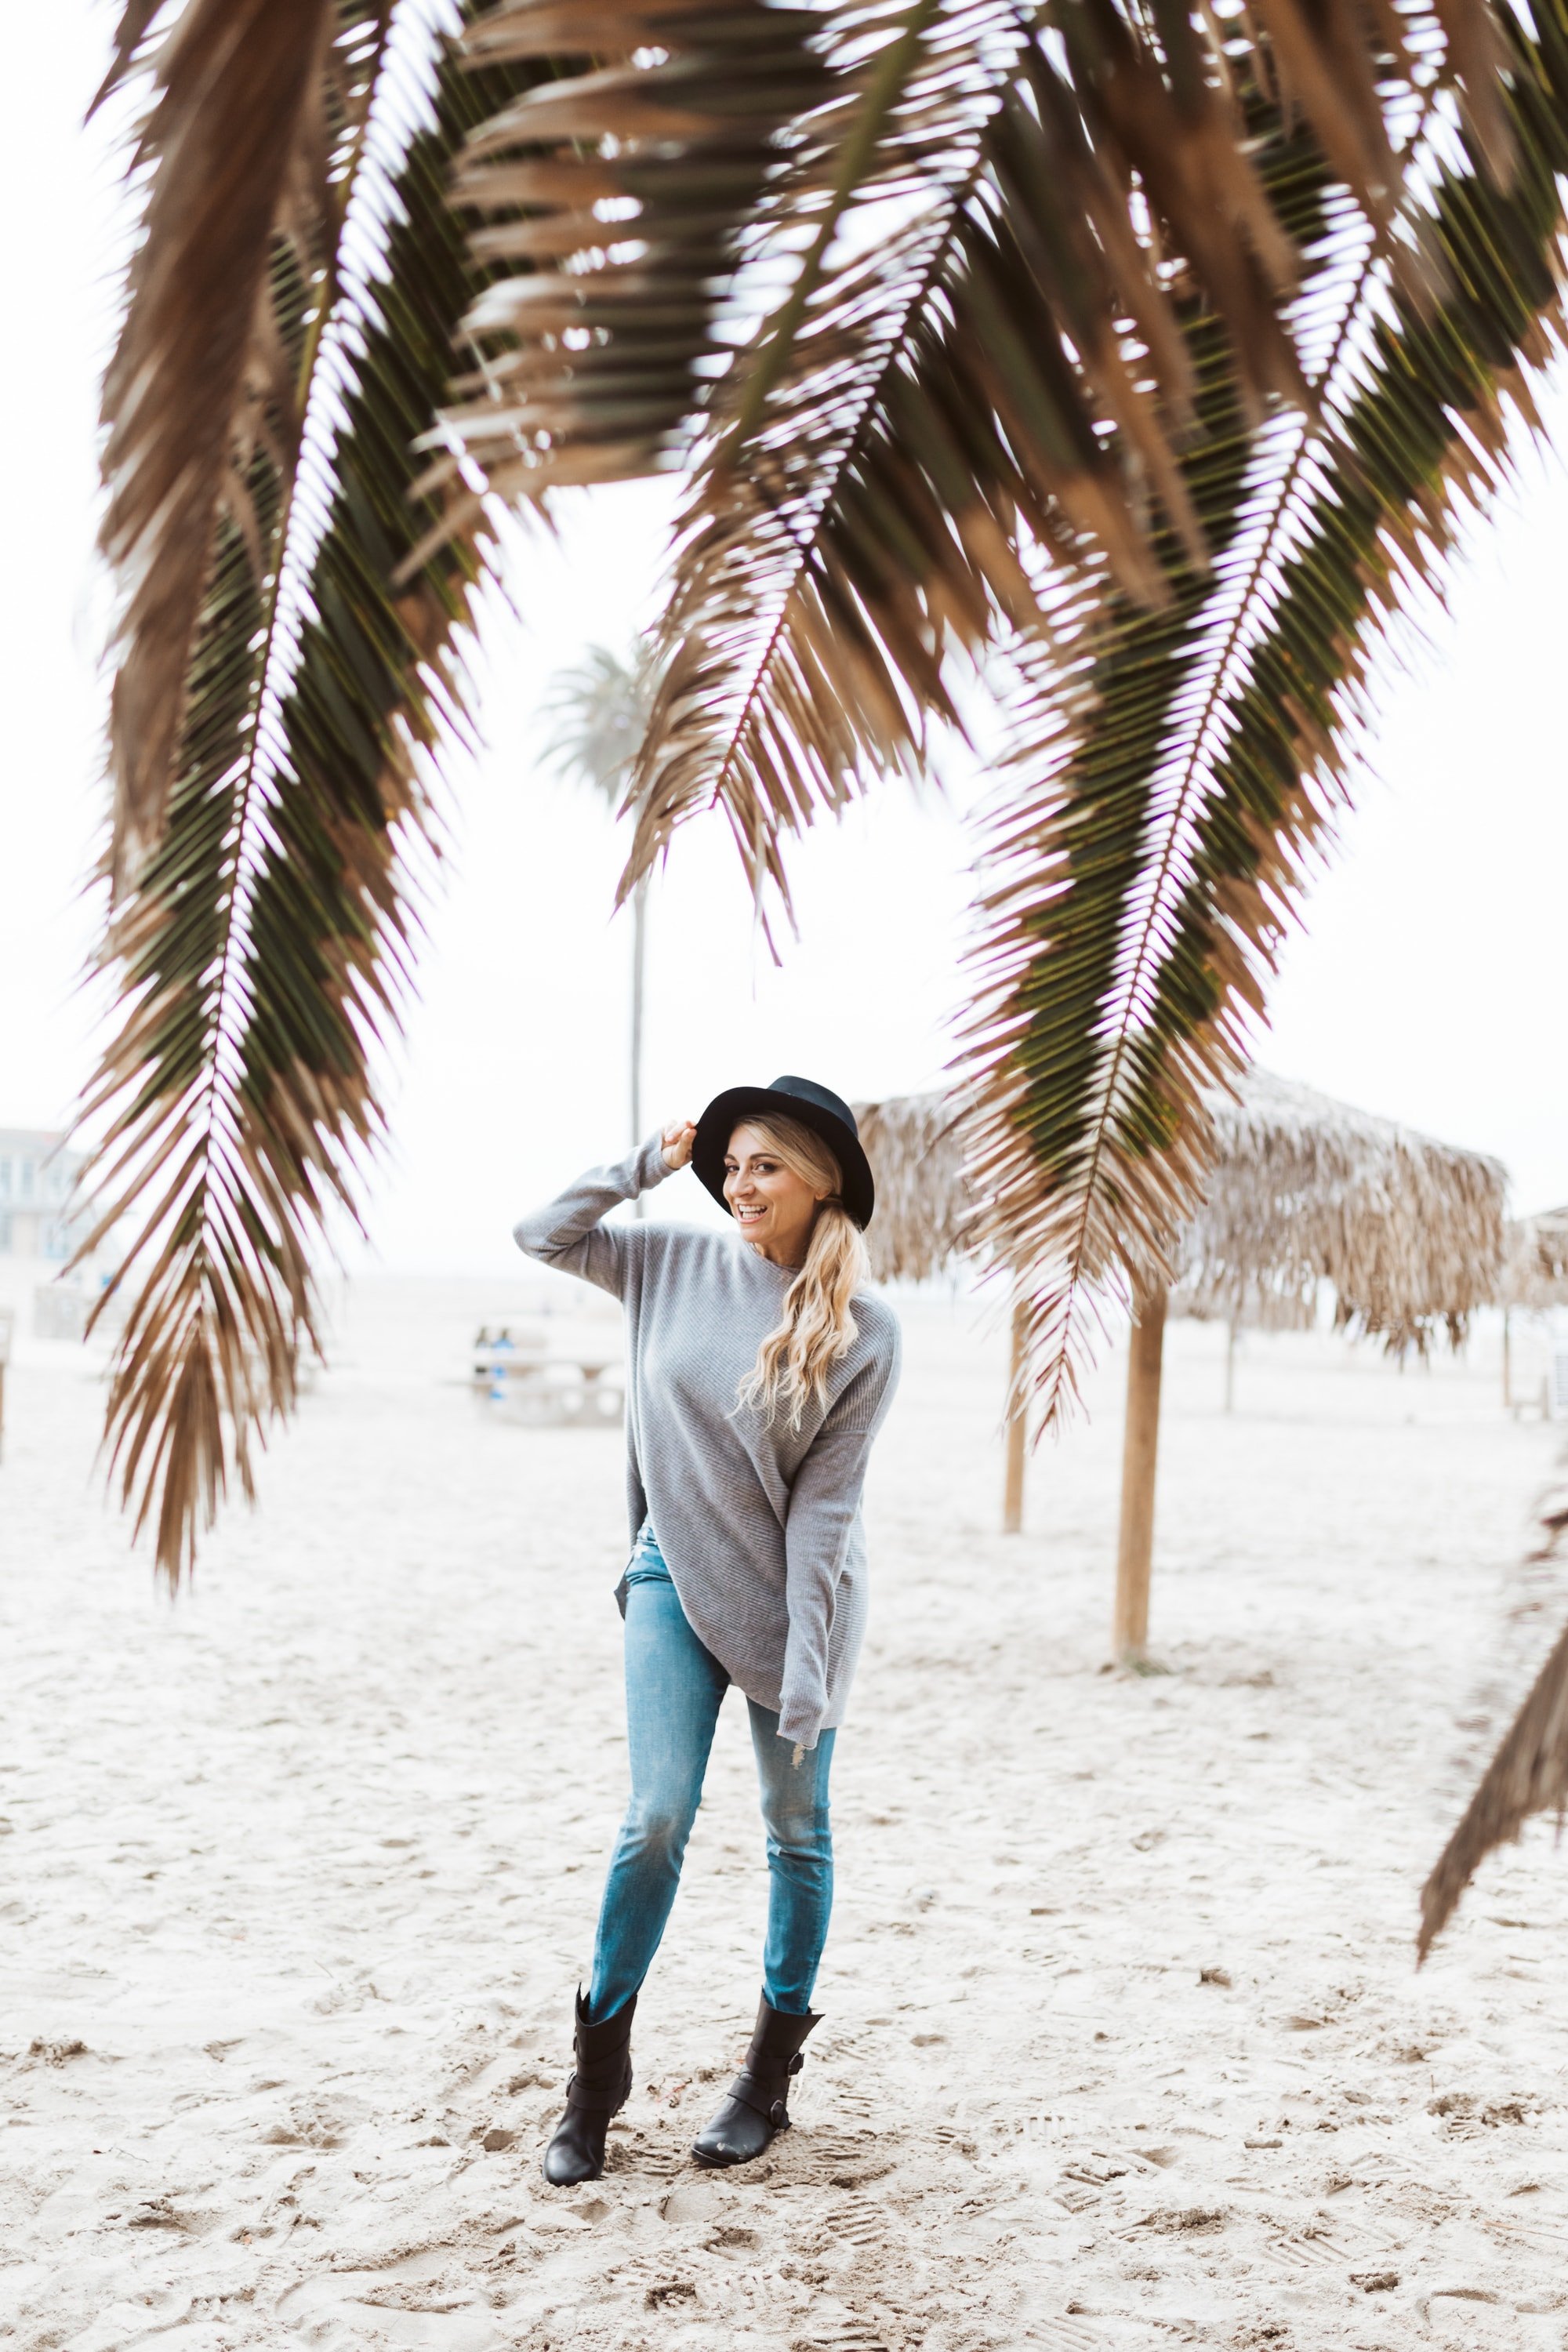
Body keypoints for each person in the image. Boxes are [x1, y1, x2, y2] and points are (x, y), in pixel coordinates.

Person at [514, 1076, 902, 2183]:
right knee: (655, 1818)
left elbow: (828, 1508)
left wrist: (813, 1666)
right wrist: (647, 1158)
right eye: (730, 1163)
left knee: (795, 1828)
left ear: (822, 1183)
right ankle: (596, 2081)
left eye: (765, 1163)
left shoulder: (864, 1331)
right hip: (670, 1572)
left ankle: (765, 2082)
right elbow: (542, 1233)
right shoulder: (666, 1263)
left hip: (792, 1600)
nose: (740, 1182)